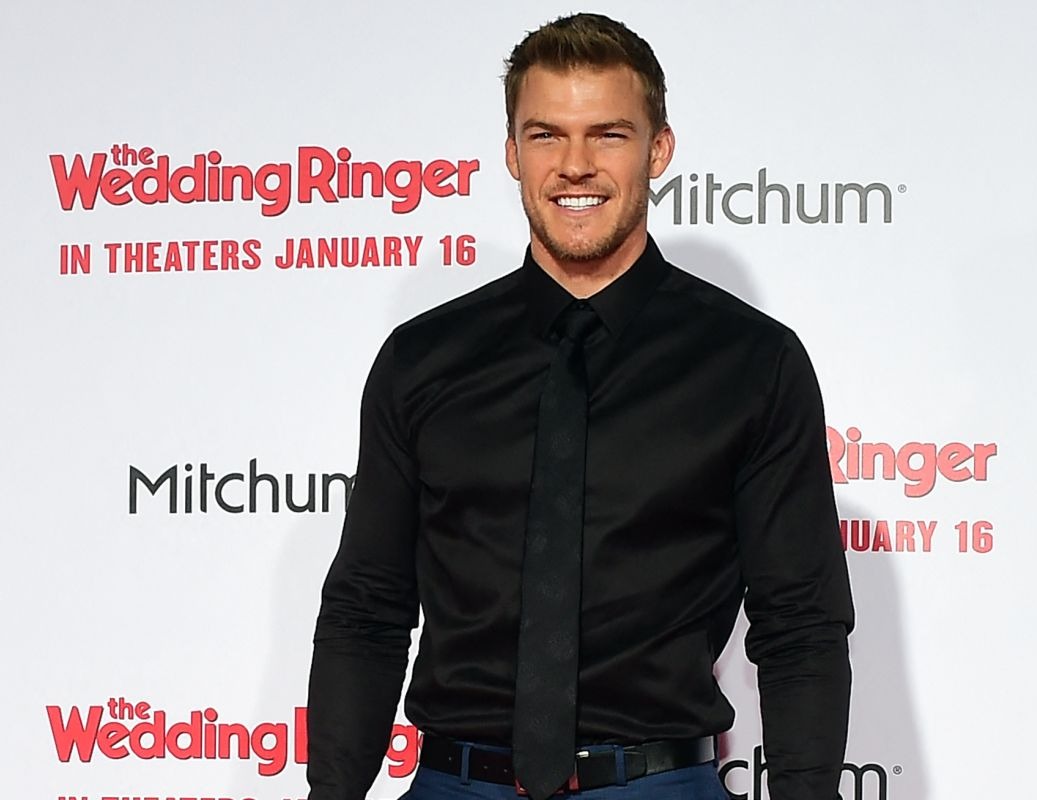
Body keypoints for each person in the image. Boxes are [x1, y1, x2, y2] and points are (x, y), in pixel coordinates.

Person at [307, 12, 854, 800]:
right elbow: (367, 607)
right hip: (456, 784)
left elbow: (801, 625)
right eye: (546, 136)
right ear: (511, 152)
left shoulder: (752, 363)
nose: (574, 165)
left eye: (608, 135)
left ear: (658, 150)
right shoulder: (421, 359)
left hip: (658, 785)